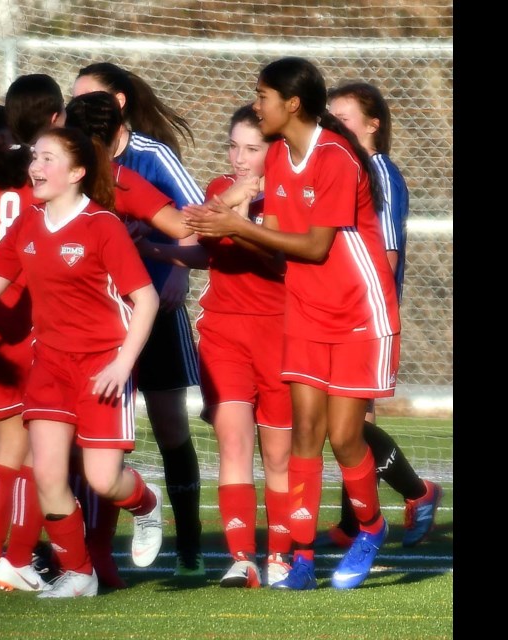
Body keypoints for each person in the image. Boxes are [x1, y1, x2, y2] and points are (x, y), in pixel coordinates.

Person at [183, 57, 400, 590]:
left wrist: (236, 223)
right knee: (305, 433)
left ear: (292, 103)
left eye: (262, 96)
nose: (257, 107)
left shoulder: (335, 156)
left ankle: (371, 527)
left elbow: (315, 245)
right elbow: (278, 237)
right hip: (303, 310)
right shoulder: (278, 156)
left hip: (355, 311)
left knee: (345, 438)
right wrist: (229, 219)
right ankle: (299, 557)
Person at [0, 126, 165, 599]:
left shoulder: (103, 226)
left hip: (103, 368)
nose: (36, 166)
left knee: (102, 479)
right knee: (49, 478)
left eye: (49, 158)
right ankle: (79, 573)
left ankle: (146, 503)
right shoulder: (28, 224)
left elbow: (147, 300)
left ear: (77, 172)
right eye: (35, 156)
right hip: (51, 366)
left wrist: (122, 364)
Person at [136, 104, 294, 588]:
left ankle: (282, 556)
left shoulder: (291, 198)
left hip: (281, 334)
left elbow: (282, 264)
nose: (240, 158)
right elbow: (205, 250)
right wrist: (155, 248)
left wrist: (239, 219)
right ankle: (242, 557)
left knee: (279, 452)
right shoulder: (217, 190)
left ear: (277, 150)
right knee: (232, 440)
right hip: (225, 331)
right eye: (233, 146)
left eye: (252, 148)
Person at [72, 62, 205, 579]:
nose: (80, 105)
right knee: (84, 435)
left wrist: (176, 270)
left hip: (155, 312)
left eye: (91, 98)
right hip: (97, 321)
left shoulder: (150, 159)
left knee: (171, 426)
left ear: (117, 104)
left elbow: (194, 224)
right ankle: (84, 552)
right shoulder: (74, 164)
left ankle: (190, 550)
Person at [0, 74, 66, 592]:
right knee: (34, 448)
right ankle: (17, 558)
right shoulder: (47, 172)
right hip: (32, 315)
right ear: (53, 118)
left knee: (6, 446)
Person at [322, 82, 442, 548]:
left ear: (373, 124)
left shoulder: (379, 172)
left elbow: (385, 253)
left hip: (366, 314)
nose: (333, 123)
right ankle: (355, 523)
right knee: (343, 425)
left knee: (353, 425)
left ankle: (416, 492)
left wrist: (359, 305)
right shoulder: (341, 167)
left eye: (344, 116)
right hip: (336, 311)